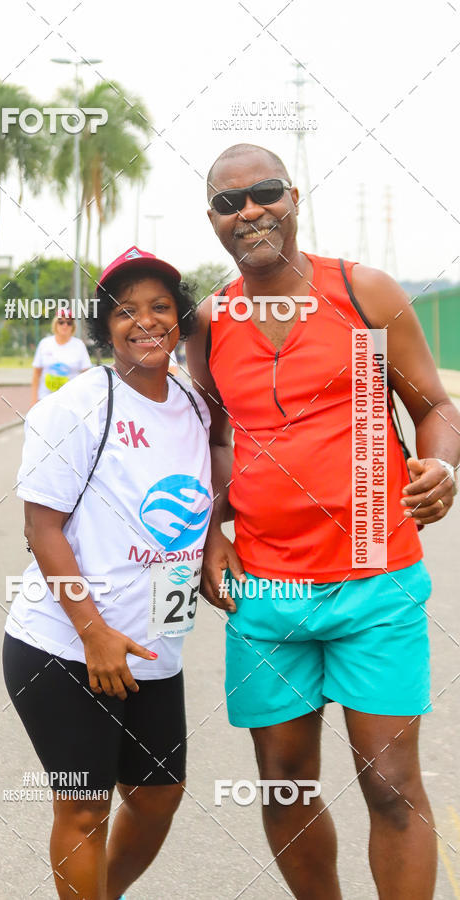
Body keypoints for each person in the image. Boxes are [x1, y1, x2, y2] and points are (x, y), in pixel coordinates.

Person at [186, 143, 460, 899]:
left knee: (390, 782)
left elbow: (435, 405)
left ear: (294, 197)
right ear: (212, 220)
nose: (250, 212)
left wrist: (442, 467)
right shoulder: (210, 321)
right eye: (229, 203)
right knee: (283, 785)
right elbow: (208, 439)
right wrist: (210, 536)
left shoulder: (364, 293)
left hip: (376, 577)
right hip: (265, 591)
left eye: (264, 193)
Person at [3, 246, 212, 899]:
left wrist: (217, 547)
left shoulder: (196, 404)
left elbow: (202, 497)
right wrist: (92, 632)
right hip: (66, 647)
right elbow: (42, 528)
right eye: (126, 311)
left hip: (154, 645)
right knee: (85, 808)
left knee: (158, 797)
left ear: (179, 318)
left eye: (160, 307)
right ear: (106, 326)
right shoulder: (80, 406)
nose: (145, 321)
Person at [30, 311, 91, 407]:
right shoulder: (44, 343)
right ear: (55, 324)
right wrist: (34, 401)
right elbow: (36, 375)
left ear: (73, 326)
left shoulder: (79, 345)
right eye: (61, 322)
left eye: (69, 323)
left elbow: (86, 375)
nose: (65, 325)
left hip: (71, 401)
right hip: (45, 400)